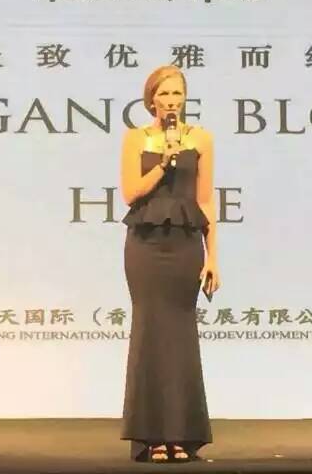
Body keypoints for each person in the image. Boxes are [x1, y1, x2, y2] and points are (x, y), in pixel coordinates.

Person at [119, 64, 221, 463]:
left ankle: (182, 434)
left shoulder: (202, 138)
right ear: (151, 100)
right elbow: (131, 193)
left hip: (185, 245)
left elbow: (205, 200)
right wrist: (163, 161)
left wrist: (213, 257)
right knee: (149, 330)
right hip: (145, 245)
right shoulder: (136, 138)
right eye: (163, 94)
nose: (171, 101)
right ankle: (150, 436)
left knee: (180, 334)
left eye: (177, 93)